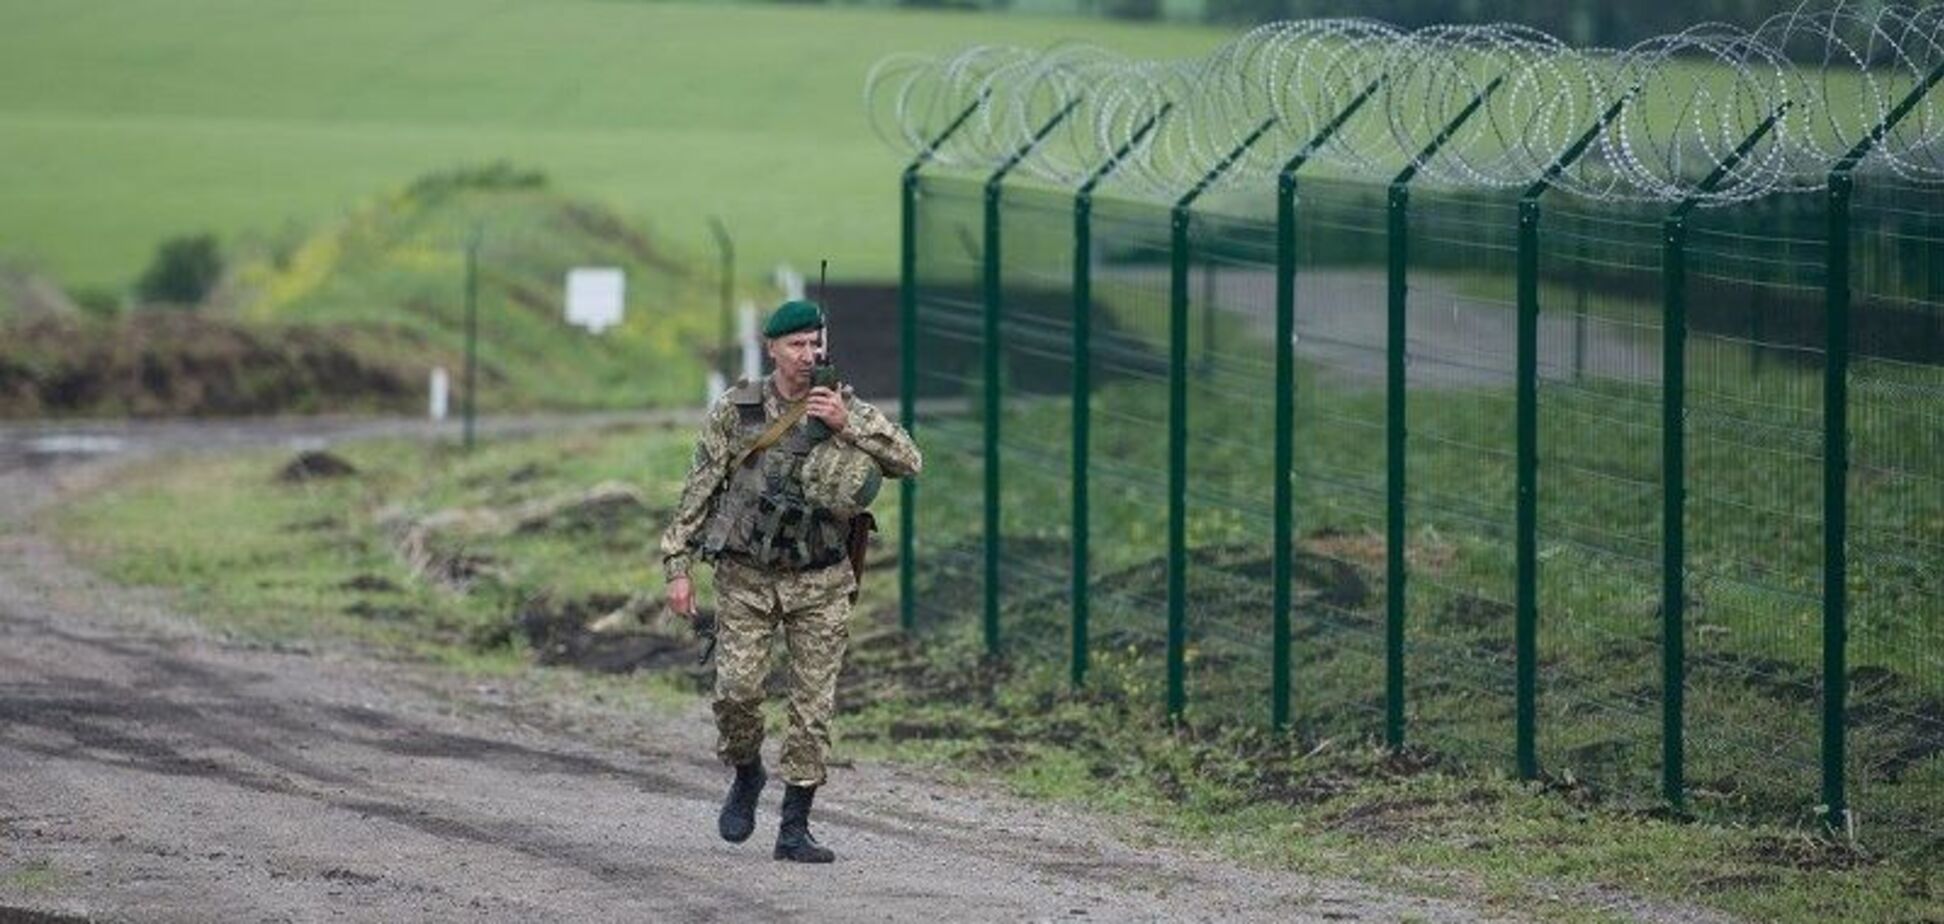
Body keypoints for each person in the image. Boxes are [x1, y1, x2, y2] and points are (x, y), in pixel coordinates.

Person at [658, 298, 921, 864]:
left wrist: (846, 427)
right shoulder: (740, 409)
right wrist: (677, 565)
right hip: (746, 577)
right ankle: (747, 774)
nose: (809, 355)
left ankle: (794, 827)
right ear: (772, 349)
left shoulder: (842, 406)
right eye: (796, 345)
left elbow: (909, 461)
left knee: (811, 707)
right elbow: (699, 488)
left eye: (815, 343)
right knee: (737, 694)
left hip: (821, 579)